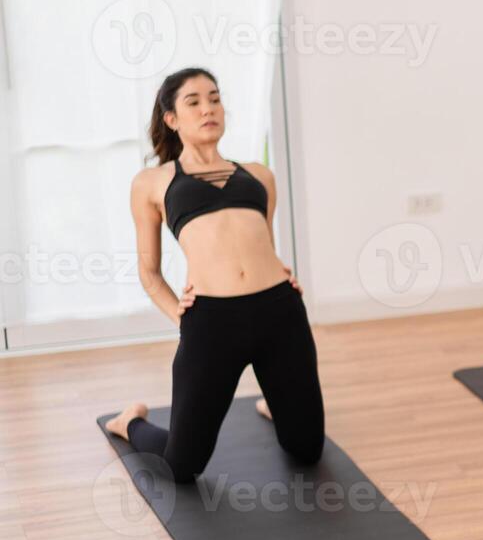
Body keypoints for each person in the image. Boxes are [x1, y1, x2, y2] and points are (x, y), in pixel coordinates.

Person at [104, 68, 324, 483]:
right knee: (180, 467)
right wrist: (181, 317)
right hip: (213, 324)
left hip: (280, 314)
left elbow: (263, 244)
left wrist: (279, 272)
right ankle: (129, 422)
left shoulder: (260, 174)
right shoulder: (153, 183)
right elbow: (149, 272)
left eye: (215, 98)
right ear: (172, 118)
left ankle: (275, 402)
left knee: (307, 450)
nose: (209, 109)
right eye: (194, 102)